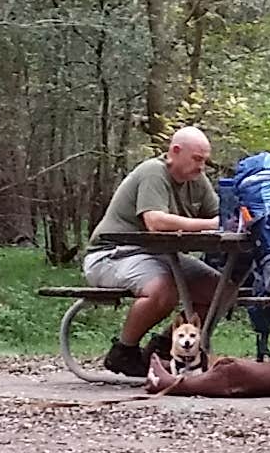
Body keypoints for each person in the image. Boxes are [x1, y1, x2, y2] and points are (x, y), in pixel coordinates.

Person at [85, 125, 231, 378]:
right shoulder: (153, 172)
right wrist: (210, 225)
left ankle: (164, 348)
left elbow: (221, 216)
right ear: (175, 151)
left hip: (160, 255)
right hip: (112, 254)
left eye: (204, 161)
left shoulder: (197, 180)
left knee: (222, 291)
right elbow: (155, 221)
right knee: (163, 289)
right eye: (197, 159)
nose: (201, 167)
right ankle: (124, 351)